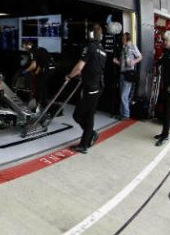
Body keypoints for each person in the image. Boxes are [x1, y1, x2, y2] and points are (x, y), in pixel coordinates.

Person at [65, 24, 107, 154]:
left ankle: (87, 140)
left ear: (91, 34)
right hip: (99, 87)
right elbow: (94, 68)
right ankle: (88, 138)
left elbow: (79, 67)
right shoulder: (103, 50)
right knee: (89, 116)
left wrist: (69, 76)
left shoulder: (90, 47)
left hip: (91, 88)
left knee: (78, 115)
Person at [21, 39, 57, 113]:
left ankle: (41, 106)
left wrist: (25, 71)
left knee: (40, 86)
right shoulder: (40, 49)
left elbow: (33, 66)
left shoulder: (32, 51)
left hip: (47, 68)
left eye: (24, 46)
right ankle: (44, 104)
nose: (24, 48)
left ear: (28, 45)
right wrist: (36, 73)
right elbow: (41, 63)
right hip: (52, 67)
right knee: (42, 85)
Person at [112, 32, 142, 120]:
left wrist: (134, 62)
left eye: (123, 38)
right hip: (122, 73)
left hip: (128, 74)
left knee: (124, 95)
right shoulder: (123, 48)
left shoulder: (132, 46)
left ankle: (126, 114)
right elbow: (123, 63)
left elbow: (140, 56)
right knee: (122, 94)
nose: (122, 39)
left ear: (126, 38)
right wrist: (117, 62)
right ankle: (122, 114)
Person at [155, 30, 170, 146]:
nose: (163, 42)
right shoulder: (166, 52)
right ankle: (163, 132)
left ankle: (166, 135)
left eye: (165, 40)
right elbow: (159, 62)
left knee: (168, 112)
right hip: (164, 84)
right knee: (164, 110)